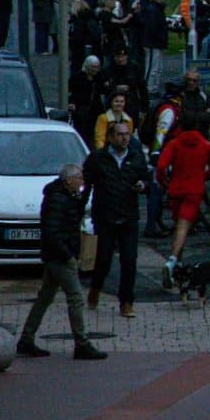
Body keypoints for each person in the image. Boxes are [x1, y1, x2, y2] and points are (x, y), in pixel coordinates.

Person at [16, 162, 103, 360]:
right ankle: (81, 343)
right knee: (76, 298)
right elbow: (53, 231)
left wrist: (87, 189)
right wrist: (68, 255)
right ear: (69, 180)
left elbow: (76, 213)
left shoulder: (66, 196)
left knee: (45, 298)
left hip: (55, 254)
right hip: (59, 256)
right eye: (79, 179)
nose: (81, 182)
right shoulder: (57, 199)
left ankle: (27, 338)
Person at [82, 117, 149, 319]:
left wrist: (142, 186)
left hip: (128, 216)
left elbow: (146, 179)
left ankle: (126, 302)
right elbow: (87, 184)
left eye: (126, 134)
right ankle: (96, 288)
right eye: (119, 134)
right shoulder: (97, 159)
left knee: (129, 261)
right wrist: (79, 210)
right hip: (105, 216)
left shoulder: (136, 157)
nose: (123, 138)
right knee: (103, 259)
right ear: (110, 137)